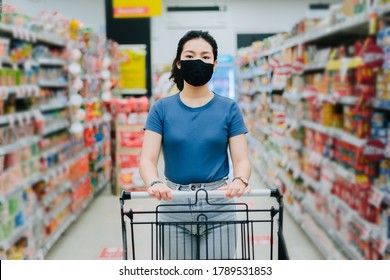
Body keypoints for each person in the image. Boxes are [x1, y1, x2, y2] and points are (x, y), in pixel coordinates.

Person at [139, 30, 251, 260]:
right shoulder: (161, 109)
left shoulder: (229, 109)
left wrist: (240, 179)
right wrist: (154, 182)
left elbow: (241, 159)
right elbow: (147, 159)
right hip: (174, 204)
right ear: (179, 63)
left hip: (219, 204)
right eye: (189, 56)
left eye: (205, 56)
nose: (197, 61)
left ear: (214, 63)